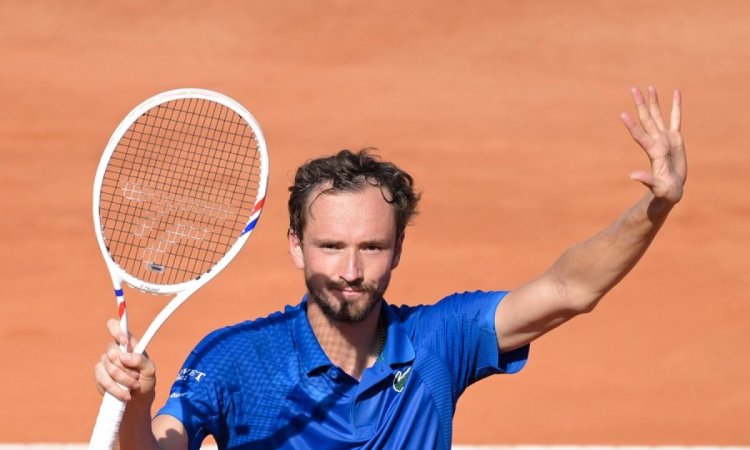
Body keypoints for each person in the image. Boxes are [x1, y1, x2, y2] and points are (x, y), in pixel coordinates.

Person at [94, 86, 686, 449]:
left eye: (372, 248)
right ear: (296, 245)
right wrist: (136, 408)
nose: (351, 270)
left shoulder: (439, 342)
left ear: (398, 249)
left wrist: (653, 208)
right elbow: (161, 446)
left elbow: (569, 288)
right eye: (331, 246)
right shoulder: (236, 358)